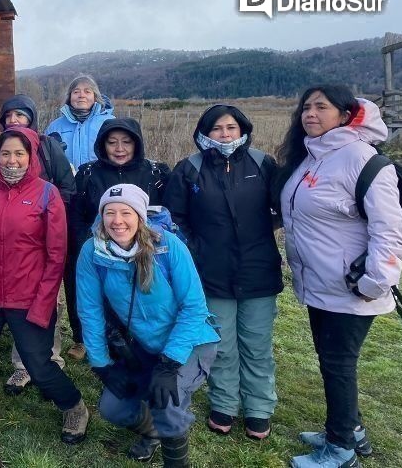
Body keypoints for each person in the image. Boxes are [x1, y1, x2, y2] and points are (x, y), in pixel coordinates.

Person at [277, 86, 402, 468]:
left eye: (322, 107)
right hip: (320, 285)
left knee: (337, 365)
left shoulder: (363, 160)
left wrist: (374, 282)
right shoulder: (313, 156)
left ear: (346, 115)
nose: (310, 114)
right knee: (331, 361)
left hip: (352, 289)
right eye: (306, 107)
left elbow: (391, 231)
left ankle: (341, 448)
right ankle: (351, 428)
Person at [0, 126, 89, 444]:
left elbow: (56, 257)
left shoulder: (47, 194)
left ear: (31, 157)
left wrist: (43, 303)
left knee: (38, 364)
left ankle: (74, 407)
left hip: (29, 297)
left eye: (19, 154)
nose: (12, 160)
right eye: (6, 153)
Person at [77, 184, 219, 467]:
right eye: (110, 213)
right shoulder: (93, 252)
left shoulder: (168, 247)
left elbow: (194, 308)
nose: (117, 221)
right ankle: (153, 433)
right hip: (142, 346)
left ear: (140, 216)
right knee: (113, 408)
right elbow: (89, 311)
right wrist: (101, 364)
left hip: (190, 341)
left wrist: (169, 364)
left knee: (167, 401)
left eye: (126, 212)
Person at [163, 104, 282, 440]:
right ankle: (224, 403)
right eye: (217, 129)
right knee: (222, 345)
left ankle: (259, 407)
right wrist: (196, 249)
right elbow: (174, 219)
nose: (225, 135)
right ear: (204, 133)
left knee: (257, 344)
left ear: (242, 130)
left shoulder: (262, 164)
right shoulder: (189, 168)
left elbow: (285, 205)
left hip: (258, 270)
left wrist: (264, 231)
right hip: (211, 273)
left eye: (231, 128)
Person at [69, 117, 172, 362]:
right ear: (102, 145)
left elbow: (166, 217)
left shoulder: (155, 173)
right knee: (107, 312)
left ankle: (152, 355)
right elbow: (76, 217)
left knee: (144, 309)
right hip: (102, 256)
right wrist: (95, 247)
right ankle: (111, 357)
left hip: (146, 256)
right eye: (112, 142)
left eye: (126, 142)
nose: (119, 148)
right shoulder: (88, 174)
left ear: (137, 144)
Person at [0, 94, 77, 392]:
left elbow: (67, 187)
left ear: (31, 118)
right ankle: (21, 366)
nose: (14, 120)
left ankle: (50, 359)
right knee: (17, 305)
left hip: (44, 238)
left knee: (48, 300)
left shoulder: (47, 146)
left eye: (21, 114)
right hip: (10, 246)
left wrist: (49, 219)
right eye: (9, 116)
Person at [45, 74, 115, 170]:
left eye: (87, 92)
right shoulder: (55, 127)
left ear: (95, 96)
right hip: (66, 183)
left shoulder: (110, 123)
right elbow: (46, 159)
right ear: (69, 97)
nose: (81, 95)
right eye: (76, 92)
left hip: (102, 182)